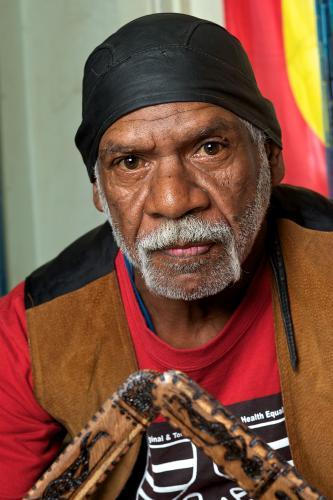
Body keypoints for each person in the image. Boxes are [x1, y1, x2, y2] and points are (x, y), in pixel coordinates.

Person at [0, 12, 332, 499]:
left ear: (271, 156)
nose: (174, 202)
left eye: (210, 148)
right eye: (131, 163)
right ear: (99, 190)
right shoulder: (33, 330)